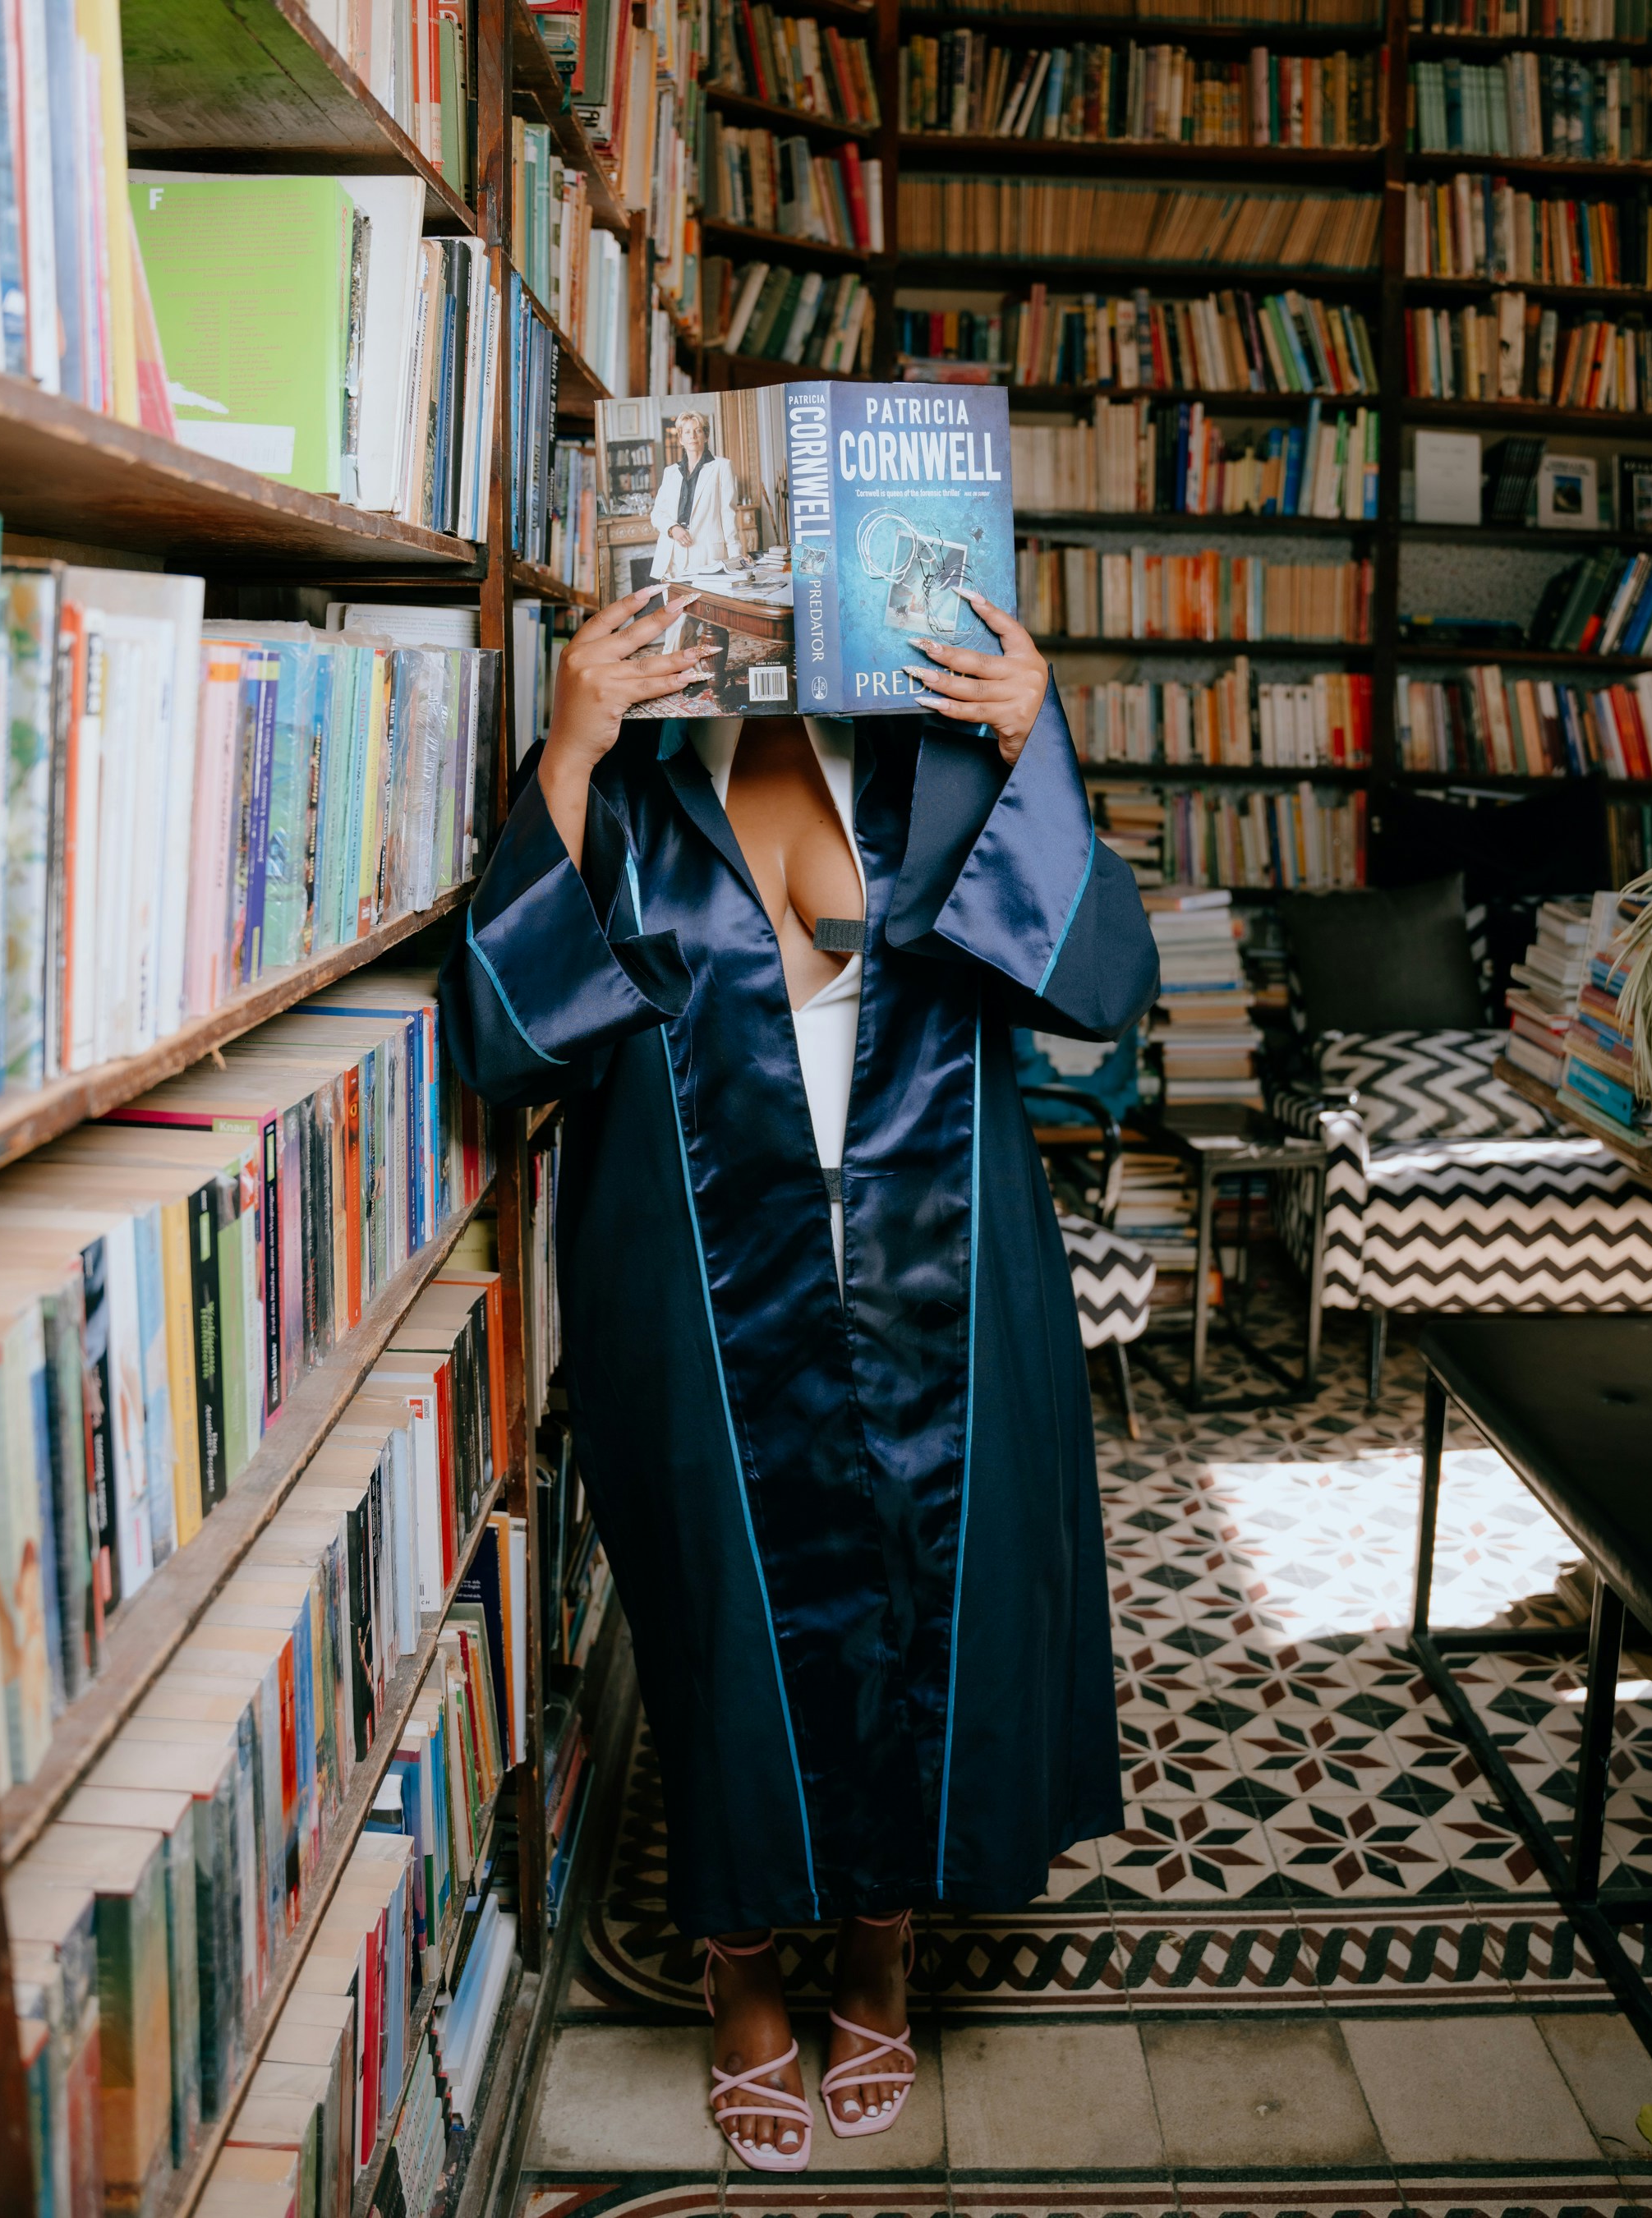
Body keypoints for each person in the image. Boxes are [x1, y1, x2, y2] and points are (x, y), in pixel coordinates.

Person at [439, 587, 1158, 2169]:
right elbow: (506, 1043)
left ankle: (878, 1957)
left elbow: (1100, 987)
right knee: (720, 1628)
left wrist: (1032, 738)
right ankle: (746, 1969)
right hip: (691, 1275)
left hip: (942, 1261)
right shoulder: (634, 771)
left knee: (925, 1610)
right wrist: (568, 753)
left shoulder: (936, 755)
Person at [649, 410, 742, 586]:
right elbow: (657, 514)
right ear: (681, 439)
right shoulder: (670, 472)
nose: (692, 436)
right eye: (687, 432)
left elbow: (728, 515)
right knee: (676, 604)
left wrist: (736, 558)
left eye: (698, 431)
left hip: (708, 556)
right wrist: (673, 528)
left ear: (706, 436)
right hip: (672, 557)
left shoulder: (722, 467)